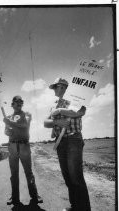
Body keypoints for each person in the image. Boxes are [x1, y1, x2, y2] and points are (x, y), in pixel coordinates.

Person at [44, 78, 91, 211]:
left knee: (76, 177)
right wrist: (57, 123)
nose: (53, 90)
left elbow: (80, 112)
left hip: (73, 140)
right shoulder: (53, 104)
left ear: (63, 87)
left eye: (55, 87)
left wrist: (59, 111)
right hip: (60, 142)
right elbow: (45, 122)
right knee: (68, 177)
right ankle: (75, 206)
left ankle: (84, 209)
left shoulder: (76, 100)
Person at [3, 95, 43, 206]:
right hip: (12, 147)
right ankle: (14, 197)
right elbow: (6, 132)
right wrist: (8, 131)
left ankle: (35, 195)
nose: (19, 103)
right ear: (12, 104)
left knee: (28, 173)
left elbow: (25, 125)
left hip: (24, 146)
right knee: (14, 174)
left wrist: (10, 123)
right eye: (17, 101)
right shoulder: (9, 117)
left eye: (21, 101)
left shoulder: (27, 114)